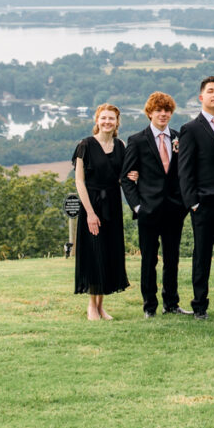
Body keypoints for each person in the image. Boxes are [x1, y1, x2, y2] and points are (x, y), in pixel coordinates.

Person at [121, 92, 190, 319]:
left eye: (167, 110)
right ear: (150, 113)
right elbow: (125, 179)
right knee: (149, 260)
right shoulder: (137, 140)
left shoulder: (180, 138)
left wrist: (183, 204)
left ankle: (171, 303)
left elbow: (185, 173)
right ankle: (149, 306)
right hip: (148, 210)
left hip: (174, 210)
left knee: (172, 259)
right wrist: (137, 207)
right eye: (158, 110)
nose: (163, 114)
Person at [178, 76, 214, 320]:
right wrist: (193, 202)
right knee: (202, 256)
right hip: (203, 203)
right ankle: (199, 304)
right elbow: (185, 169)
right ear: (201, 97)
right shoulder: (190, 129)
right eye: (211, 91)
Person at [73, 103, 129, 320]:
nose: (107, 122)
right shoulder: (85, 145)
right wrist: (89, 213)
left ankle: (101, 305)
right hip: (91, 204)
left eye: (111, 119)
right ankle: (91, 306)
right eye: (103, 118)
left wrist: (132, 178)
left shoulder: (121, 145)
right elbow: (79, 181)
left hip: (113, 206)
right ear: (97, 120)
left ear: (117, 122)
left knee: (108, 253)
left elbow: (124, 176)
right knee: (94, 254)